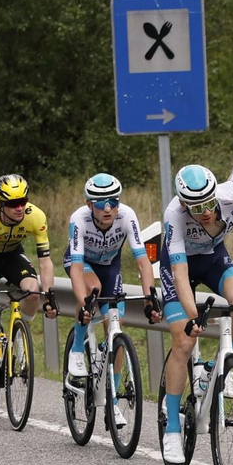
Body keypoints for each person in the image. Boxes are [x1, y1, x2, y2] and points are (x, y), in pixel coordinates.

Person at [158, 147, 233, 463]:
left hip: (214, 258)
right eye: (195, 206)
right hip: (180, 265)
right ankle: (172, 429)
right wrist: (193, 317)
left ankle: (222, 366)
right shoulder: (174, 215)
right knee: (184, 340)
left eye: (208, 203)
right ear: (183, 203)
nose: (204, 211)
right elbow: (180, 274)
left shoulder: (232, 194)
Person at [65, 174, 161, 419]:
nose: (108, 208)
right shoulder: (79, 219)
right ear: (89, 204)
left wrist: (149, 299)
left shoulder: (127, 215)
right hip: (82, 264)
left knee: (116, 326)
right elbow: (76, 268)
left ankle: (112, 399)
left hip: (110, 267)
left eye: (113, 202)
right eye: (100, 203)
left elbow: (143, 262)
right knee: (92, 290)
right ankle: (77, 348)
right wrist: (84, 303)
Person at [0, 174, 56, 410]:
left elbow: (45, 262)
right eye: (13, 203)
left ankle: (19, 335)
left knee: (33, 293)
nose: (19, 208)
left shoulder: (35, 216)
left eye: (23, 201)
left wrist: (49, 295)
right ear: (1, 204)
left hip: (12, 257)